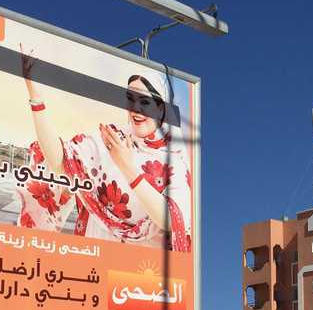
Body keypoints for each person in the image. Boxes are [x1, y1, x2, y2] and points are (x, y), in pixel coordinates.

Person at [15, 44, 192, 251]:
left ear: (161, 107)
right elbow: (58, 161)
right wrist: (36, 95)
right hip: (95, 264)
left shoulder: (173, 160)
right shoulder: (110, 139)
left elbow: (171, 219)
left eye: (144, 102)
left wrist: (128, 167)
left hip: (142, 273)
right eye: (130, 99)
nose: (136, 109)